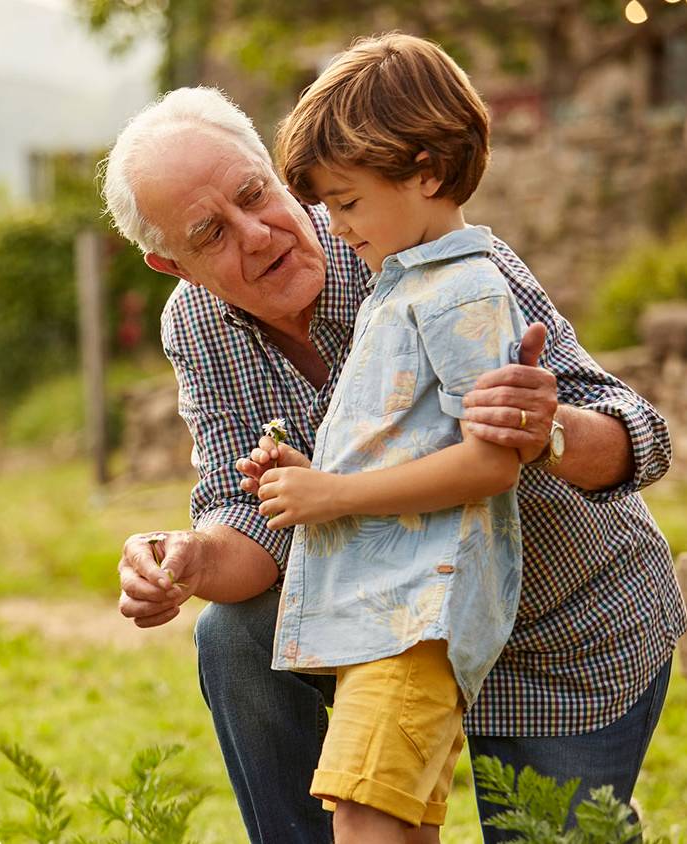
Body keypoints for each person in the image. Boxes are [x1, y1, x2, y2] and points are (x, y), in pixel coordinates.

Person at [102, 83, 685, 843]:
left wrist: (550, 426)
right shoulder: (198, 323)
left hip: (558, 627)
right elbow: (251, 515)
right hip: (393, 624)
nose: (256, 234)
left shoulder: (431, 253)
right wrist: (186, 560)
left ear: (275, 170)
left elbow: (641, 437)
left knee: (548, 834)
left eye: (255, 193)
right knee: (234, 635)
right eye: (211, 232)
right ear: (170, 264)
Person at [226, 34, 530, 843]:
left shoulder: (464, 289)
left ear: (426, 172)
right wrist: (307, 475)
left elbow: (491, 462)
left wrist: (336, 495)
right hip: (384, 613)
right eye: (325, 204)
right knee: (390, 822)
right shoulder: (403, 284)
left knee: (362, 817)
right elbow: (405, 441)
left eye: (348, 202)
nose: (335, 225)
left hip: (418, 614)